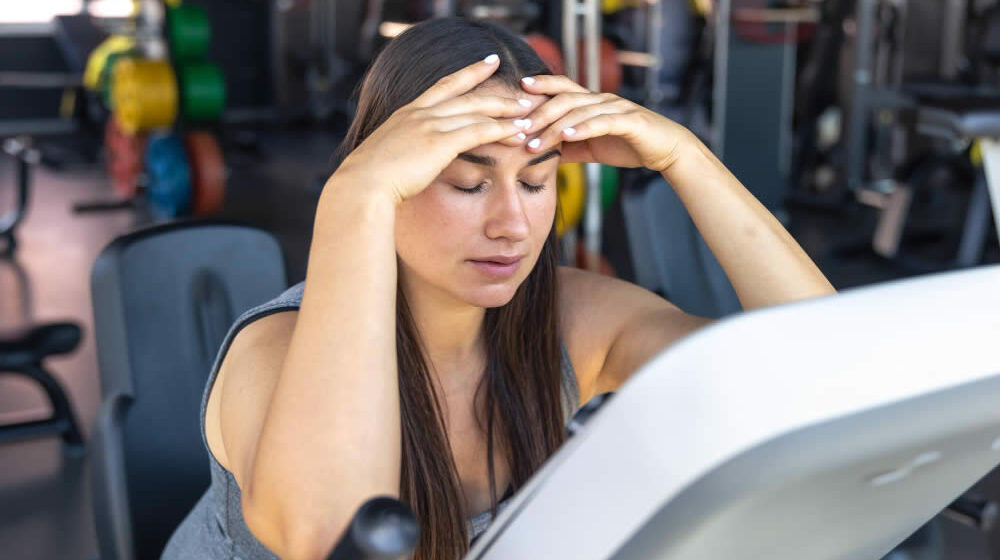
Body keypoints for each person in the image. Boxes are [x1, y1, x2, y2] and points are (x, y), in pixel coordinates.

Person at [161, 17, 835, 560]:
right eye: (468, 183)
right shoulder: (272, 351)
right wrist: (352, 198)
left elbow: (825, 376)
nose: (513, 224)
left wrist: (686, 156)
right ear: (386, 178)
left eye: (537, 183)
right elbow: (334, 538)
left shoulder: (572, 319)